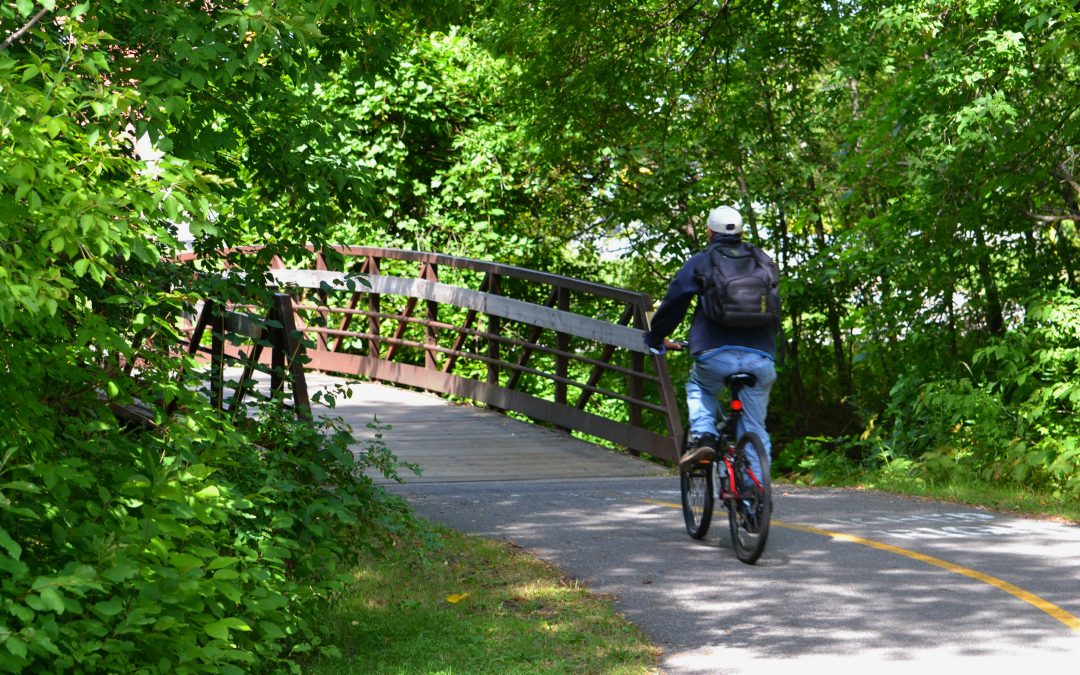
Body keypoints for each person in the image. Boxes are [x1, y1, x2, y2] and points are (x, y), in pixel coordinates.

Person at [643, 205, 780, 473]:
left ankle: (705, 436)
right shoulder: (762, 261)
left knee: (700, 387)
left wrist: (656, 336)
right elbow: (773, 306)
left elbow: (676, 300)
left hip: (714, 352)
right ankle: (755, 502)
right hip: (760, 355)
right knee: (754, 428)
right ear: (741, 232)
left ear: (709, 232)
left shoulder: (702, 260)